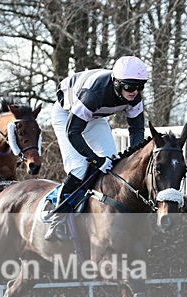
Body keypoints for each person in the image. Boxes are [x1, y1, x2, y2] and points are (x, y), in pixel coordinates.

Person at [46, 56, 149, 241]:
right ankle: (57, 218)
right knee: (79, 169)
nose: (135, 92)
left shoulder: (134, 97)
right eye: (130, 87)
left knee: (112, 166)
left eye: (140, 86)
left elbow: (137, 130)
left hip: (94, 117)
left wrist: (134, 158)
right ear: (116, 83)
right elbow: (73, 132)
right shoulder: (95, 93)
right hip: (67, 116)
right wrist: (95, 159)